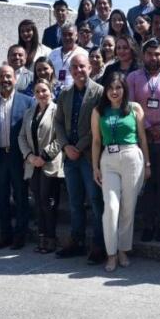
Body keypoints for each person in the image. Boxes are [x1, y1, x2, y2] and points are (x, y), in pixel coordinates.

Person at [91, 73, 151, 272]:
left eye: (118, 87)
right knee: (111, 207)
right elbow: (96, 141)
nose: (114, 92)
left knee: (128, 207)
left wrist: (147, 164)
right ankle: (111, 253)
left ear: (124, 89)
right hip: (108, 159)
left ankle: (123, 249)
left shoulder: (135, 108)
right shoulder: (98, 111)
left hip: (132, 157)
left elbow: (142, 138)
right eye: (110, 88)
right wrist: (95, 167)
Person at [53, 53, 107, 263]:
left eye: (82, 66)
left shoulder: (99, 92)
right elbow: (58, 122)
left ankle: (99, 245)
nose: (78, 70)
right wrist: (66, 146)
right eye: (74, 67)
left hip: (89, 156)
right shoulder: (65, 93)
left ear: (90, 68)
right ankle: (77, 241)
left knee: (96, 200)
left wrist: (78, 146)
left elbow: (99, 126)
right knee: (75, 202)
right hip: (70, 157)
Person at [0, 65, 35, 250]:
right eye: (2, 76)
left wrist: (29, 156)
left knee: (21, 196)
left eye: (9, 76)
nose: (5, 80)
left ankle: (20, 235)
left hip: (19, 157)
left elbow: (31, 132)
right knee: (1, 198)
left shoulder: (27, 102)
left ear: (15, 79)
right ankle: (5, 235)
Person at [127, 42, 160, 242]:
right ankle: (148, 225)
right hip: (142, 140)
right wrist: (146, 127)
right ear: (143, 55)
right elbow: (130, 106)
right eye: (149, 54)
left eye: (157, 54)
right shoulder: (133, 78)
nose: (153, 58)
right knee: (146, 184)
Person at [19, 78, 62, 254]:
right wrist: (29, 156)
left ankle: (51, 238)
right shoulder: (29, 112)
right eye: (37, 91)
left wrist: (44, 156)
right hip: (32, 163)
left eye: (44, 90)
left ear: (51, 91)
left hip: (49, 162)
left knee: (47, 201)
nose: (41, 94)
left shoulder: (57, 111)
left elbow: (61, 137)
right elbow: (21, 136)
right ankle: (42, 237)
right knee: (38, 201)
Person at [48, 24, 88, 93]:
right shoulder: (53, 53)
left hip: (75, 91)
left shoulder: (83, 53)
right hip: (54, 91)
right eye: (64, 35)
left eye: (70, 34)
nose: (67, 37)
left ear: (76, 36)